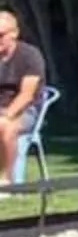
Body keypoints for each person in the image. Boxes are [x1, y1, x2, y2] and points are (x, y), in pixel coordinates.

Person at [0, 10, 46, 188]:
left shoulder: (29, 55)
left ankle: (6, 181)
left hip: (26, 110)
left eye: (1, 35)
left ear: (14, 34)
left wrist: (7, 114)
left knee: (6, 127)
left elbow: (27, 95)